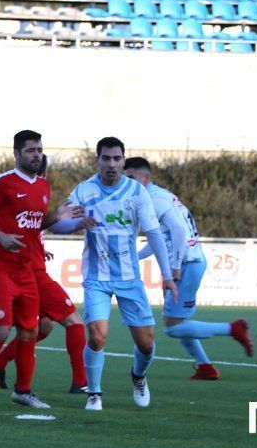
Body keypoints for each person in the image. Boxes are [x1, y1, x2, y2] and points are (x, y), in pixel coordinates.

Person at [50, 137, 178, 411]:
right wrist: (75, 223)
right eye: (106, 158)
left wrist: (167, 275)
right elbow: (57, 225)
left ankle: (138, 375)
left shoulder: (136, 192)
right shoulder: (84, 191)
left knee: (146, 344)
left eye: (117, 158)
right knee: (97, 334)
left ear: (123, 160)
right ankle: (94, 394)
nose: (111, 164)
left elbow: (154, 234)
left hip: (129, 277)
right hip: (96, 277)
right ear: (97, 160)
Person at [0, 130, 82, 412]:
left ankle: (23, 392)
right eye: (30, 150)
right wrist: (0, 237)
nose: (36, 155)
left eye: (39, 150)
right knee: (0, 331)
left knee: (30, 331)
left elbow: (34, 224)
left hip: (26, 270)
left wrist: (55, 217)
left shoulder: (43, 187)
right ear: (16, 154)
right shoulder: (3, 182)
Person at [124, 157, 253, 380]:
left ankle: (233, 329)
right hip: (191, 261)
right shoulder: (161, 195)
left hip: (187, 264)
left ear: (145, 178)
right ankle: (205, 367)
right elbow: (162, 240)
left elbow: (179, 232)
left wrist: (173, 269)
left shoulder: (153, 199)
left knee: (172, 328)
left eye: (131, 177)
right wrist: (135, 257)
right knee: (179, 321)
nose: (127, 182)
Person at [0, 155, 88, 394]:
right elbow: (16, 226)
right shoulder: (31, 188)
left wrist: (40, 248)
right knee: (74, 321)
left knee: (44, 326)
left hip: (28, 265)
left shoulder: (29, 190)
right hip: (30, 272)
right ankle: (81, 382)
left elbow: (30, 227)